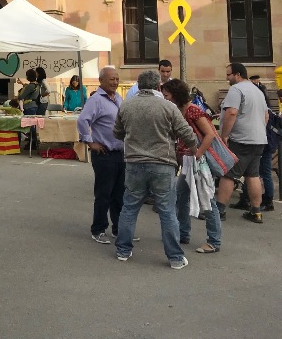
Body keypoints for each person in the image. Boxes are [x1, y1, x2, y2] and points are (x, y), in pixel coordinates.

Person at [113, 70, 197, 269]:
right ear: (158, 86)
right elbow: (186, 133)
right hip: (162, 163)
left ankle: (123, 250)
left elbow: (117, 132)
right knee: (167, 210)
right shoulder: (168, 107)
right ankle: (175, 257)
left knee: (130, 207)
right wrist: (193, 148)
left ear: (139, 85)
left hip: (134, 162)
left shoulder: (127, 105)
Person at [161, 78, 222, 255]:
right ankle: (183, 233)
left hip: (198, 161)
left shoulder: (193, 110)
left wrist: (198, 152)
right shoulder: (180, 109)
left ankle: (214, 241)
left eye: (166, 95)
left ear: (175, 94)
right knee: (181, 196)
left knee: (207, 199)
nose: (165, 98)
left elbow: (210, 134)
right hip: (189, 162)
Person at [77, 66, 126, 245]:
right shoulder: (96, 100)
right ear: (101, 81)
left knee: (119, 194)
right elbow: (83, 120)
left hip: (120, 153)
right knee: (104, 194)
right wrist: (90, 142)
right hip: (104, 154)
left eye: (116, 78)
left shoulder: (118, 98)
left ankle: (118, 228)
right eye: (111, 79)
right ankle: (98, 229)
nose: (115, 82)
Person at [215, 62, 269, 223]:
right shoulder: (257, 90)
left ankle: (219, 210)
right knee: (253, 175)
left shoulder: (236, 89)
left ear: (237, 74)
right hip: (258, 138)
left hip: (241, 139)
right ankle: (256, 211)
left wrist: (225, 135)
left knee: (229, 174)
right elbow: (266, 116)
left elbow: (231, 112)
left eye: (228, 75)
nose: (227, 78)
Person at [16, 69, 40, 150]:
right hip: (34, 105)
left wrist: (18, 96)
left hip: (28, 106)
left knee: (29, 125)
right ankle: (34, 142)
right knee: (33, 124)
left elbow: (21, 96)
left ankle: (32, 141)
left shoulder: (29, 86)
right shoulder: (37, 85)